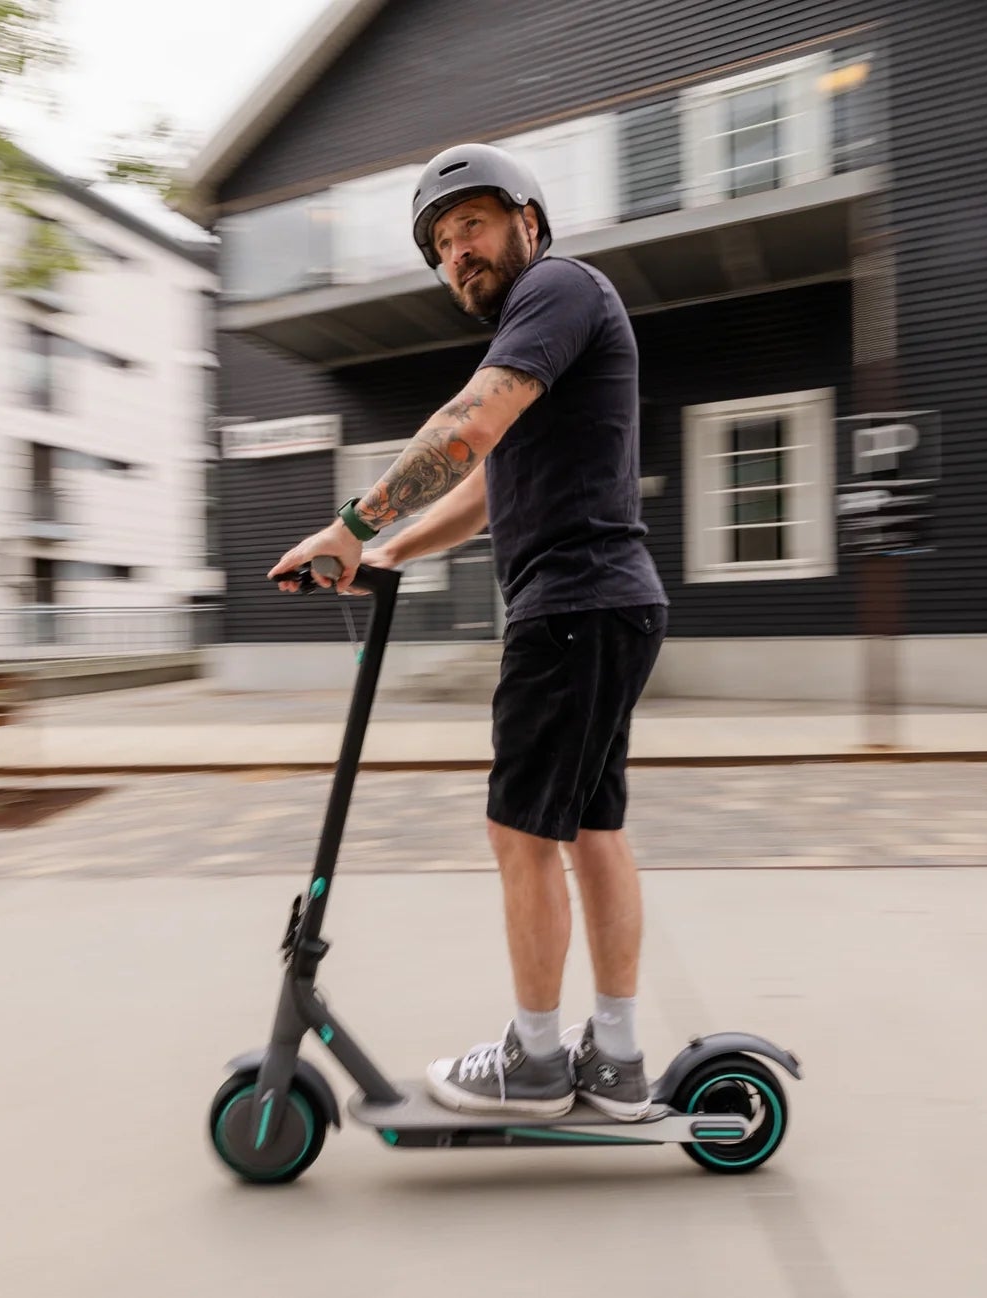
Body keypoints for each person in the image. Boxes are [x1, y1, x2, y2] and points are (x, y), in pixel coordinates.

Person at [268, 143, 668, 1121]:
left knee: (519, 830)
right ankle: (613, 1057)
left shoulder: (557, 289)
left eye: (473, 225)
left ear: (528, 221)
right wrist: (387, 551)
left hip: (572, 606)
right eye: (443, 243)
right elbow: (490, 484)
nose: (458, 252)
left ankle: (535, 1059)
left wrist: (348, 525)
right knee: (591, 830)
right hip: (603, 604)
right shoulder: (544, 337)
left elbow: (464, 431)